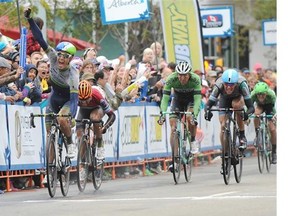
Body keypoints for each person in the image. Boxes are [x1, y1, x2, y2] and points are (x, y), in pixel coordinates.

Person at [24, 8, 78, 158]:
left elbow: (74, 100)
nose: (61, 58)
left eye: (65, 56)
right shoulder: (53, 57)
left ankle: (70, 142)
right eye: (60, 54)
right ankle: (51, 171)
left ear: (71, 59)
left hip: (68, 101)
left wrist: (71, 117)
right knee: (50, 135)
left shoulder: (73, 74)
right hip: (53, 99)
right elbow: (40, 39)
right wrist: (30, 20)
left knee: (62, 119)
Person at [158, 61, 202, 171]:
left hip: (191, 100)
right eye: (180, 75)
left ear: (189, 74)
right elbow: (165, 99)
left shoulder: (195, 79)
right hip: (177, 100)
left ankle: (192, 140)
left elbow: (197, 100)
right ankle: (175, 160)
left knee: (189, 117)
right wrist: (162, 113)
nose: (182, 78)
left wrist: (194, 115)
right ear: (177, 74)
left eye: (185, 75)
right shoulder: (171, 79)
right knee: (173, 128)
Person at [204, 69, 255, 153]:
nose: (228, 87)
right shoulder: (219, 84)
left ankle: (242, 136)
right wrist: (207, 112)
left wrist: (246, 114)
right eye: (226, 84)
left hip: (238, 98)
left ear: (236, 83)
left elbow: (251, 107)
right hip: (224, 99)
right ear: (223, 82)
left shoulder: (242, 84)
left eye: (231, 85)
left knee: (237, 106)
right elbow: (209, 103)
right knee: (223, 125)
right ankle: (225, 151)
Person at [76, 80, 116, 159]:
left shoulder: (98, 96)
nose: (84, 103)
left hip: (97, 107)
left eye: (87, 99)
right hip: (83, 110)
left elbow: (112, 115)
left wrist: (105, 127)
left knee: (94, 118)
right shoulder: (75, 97)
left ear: (90, 95)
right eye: (82, 100)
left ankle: (100, 144)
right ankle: (83, 164)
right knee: (80, 134)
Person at [250, 82, 277, 164]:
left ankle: (274, 152)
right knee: (256, 115)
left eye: (263, 94)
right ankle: (257, 134)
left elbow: (276, 106)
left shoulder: (271, 94)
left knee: (272, 129)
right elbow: (248, 106)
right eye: (259, 95)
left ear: (266, 93)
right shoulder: (253, 94)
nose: (261, 96)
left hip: (270, 106)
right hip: (260, 106)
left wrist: (275, 115)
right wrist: (246, 115)